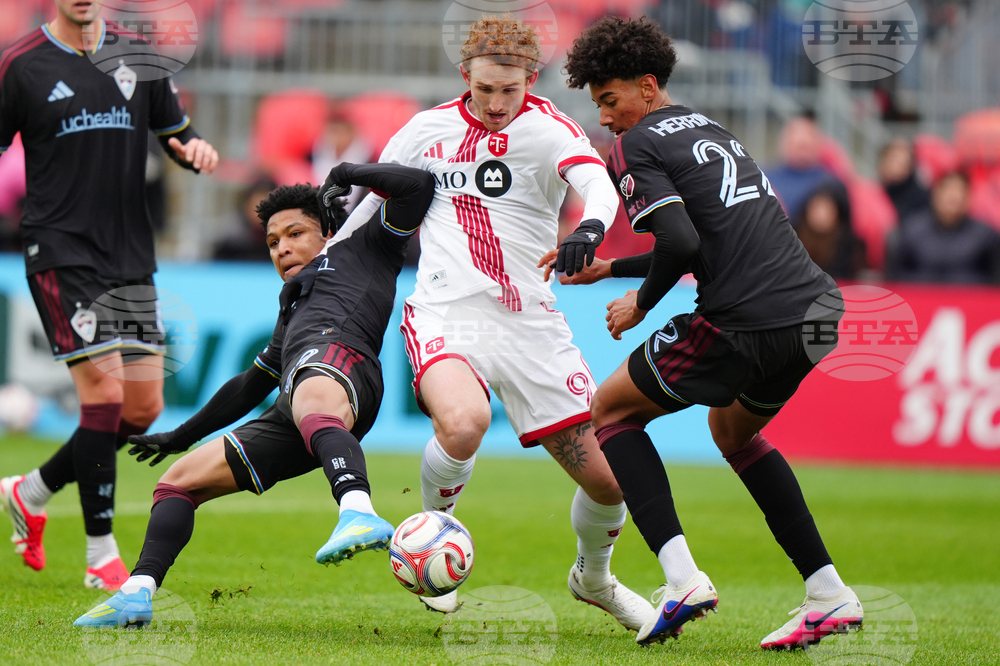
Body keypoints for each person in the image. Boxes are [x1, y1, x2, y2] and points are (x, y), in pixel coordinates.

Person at [332, 14, 652, 630]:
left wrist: (590, 225)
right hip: (447, 311)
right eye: (485, 89)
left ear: (531, 79)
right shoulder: (426, 131)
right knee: (464, 422)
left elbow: (597, 184)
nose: (498, 103)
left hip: (532, 324)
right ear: (465, 77)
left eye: (511, 89)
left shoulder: (550, 129)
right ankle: (427, 540)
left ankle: (594, 578)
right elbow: (366, 205)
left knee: (611, 484)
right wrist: (323, 265)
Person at [560, 16, 862, 650]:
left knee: (610, 411)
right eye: (598, 105)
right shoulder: (710, 126)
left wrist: (639, 303)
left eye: (611, 100)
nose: (607, 118)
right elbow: (709, 242)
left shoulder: (636, 143)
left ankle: (682, 578)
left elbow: (682, 241)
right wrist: (615, 267)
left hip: (744, 319)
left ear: (646, 86)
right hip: (814, 311)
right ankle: (828, 592)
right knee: (732, 430)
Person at [74, 162, 436, 627]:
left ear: (326, 229)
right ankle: (137, 592)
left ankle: (358, 510)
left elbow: (419, 185)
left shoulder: (365, 245)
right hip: (297, 399)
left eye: (295, 233)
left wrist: (347, 172)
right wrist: (181, 436)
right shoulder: (292, 303)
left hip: (343, 365)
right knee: (178, 482)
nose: (282, 248)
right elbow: (254, 381)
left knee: (310, 393)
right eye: (272, 242)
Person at [0, 0, 218, 589]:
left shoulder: (138, 57)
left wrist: (193, 148)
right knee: (102, 393)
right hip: (61, 250)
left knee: (141, 409)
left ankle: (31, 490)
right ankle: (101, 556)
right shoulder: (19, 64)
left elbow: (176, 129)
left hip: (129, 256)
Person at [886, 171, 1000, 283]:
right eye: (947, 189)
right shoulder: (911, 231)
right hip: (919, 298)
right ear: (935, 194)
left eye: (960, 190)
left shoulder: (986, 236)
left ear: (969, 198)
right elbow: (895, 279)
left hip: (972, 299)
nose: (954, 196)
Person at [766, 115, 842, 222]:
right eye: (798, 143)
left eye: (805, 144)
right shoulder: (764, 178)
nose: (802, 141)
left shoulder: (831, 184)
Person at [794, 184, 866, 280]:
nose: (821, 215)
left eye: (827, 209)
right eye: (817, 208)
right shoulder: (794, 238)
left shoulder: (849, 244)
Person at [212, 174, 279, 262]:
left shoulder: (283, 244)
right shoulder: (230, 241)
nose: (261, 213)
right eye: (256, 206)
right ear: (246, 205)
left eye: (267, 207)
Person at [878, 138, 930, 225]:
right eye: (891, 159)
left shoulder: (920, 198)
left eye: (899, 162)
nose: (893, 165)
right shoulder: (877, 191)